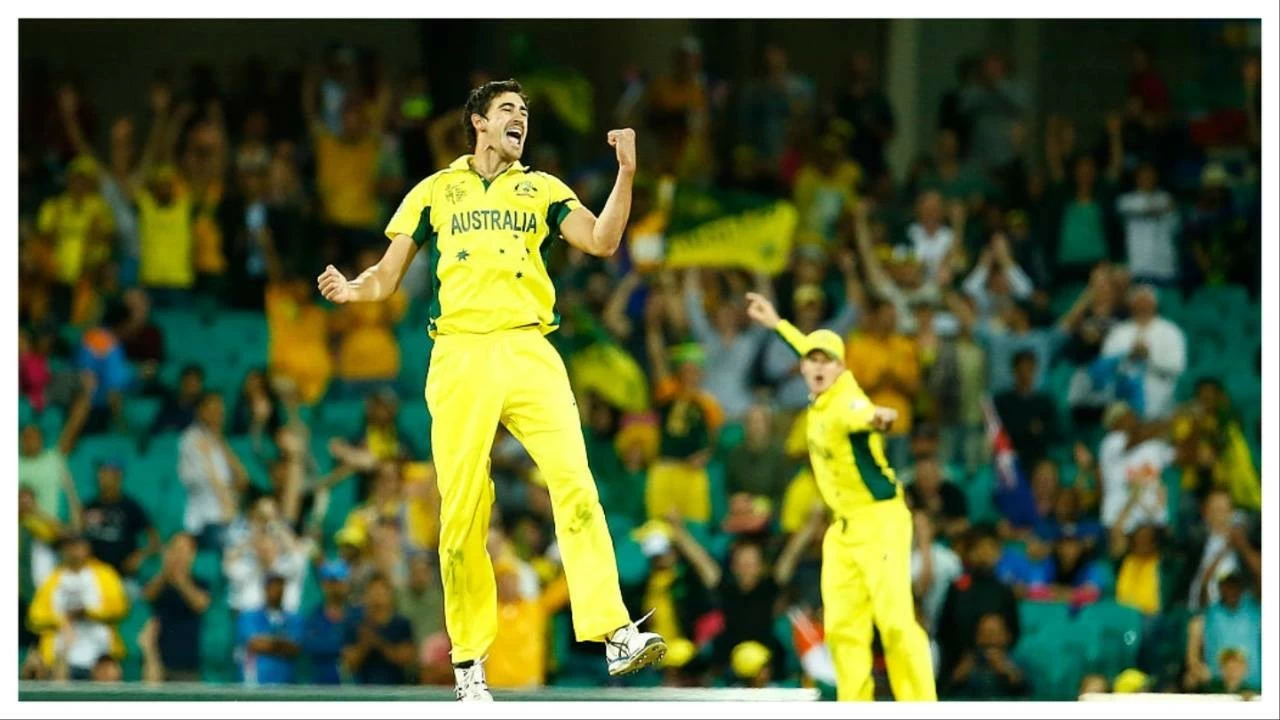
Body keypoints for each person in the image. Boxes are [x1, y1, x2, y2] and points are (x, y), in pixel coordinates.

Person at [315, 79, 664, 701]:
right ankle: (469, 664)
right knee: (461, 511)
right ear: (477, 121)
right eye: (507, 109)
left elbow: (603, 240)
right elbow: (386, 276)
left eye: (525, 112)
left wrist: (626, 175)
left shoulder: (543, 189)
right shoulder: (434, 191)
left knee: (577, 484)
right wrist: (353, 290)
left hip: (531, 349)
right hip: (459, 355)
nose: (519, 119)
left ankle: (614, 633)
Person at [744, 290, 936, 701]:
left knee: (896, 622)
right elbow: (802, 343)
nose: (817, 365)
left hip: (880, 521)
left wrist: (879, 417)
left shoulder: (847, 400)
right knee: (843, 627)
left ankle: (922, 706)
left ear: (841, 366)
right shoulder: (820, 389)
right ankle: (854, 706)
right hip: (843, 529)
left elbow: (861, 414)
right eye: (810, 359)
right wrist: (776, 321)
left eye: (826, 360)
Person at [26, 535, 129, 680]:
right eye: (69, 547)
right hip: (60, 656)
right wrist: (63, 619)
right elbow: (35, 619)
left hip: (99, 658)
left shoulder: (105, 575)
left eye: (77, 546)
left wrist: (89, 613)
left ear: (87, 548)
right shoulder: (52, 580)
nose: (73, 551)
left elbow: (120, 609)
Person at [1099, 285, 1186, 420]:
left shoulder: (1170, 331)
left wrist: (1149, 359)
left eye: (1146, 303)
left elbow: (1177, 367)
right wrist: (1128, 356)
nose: (1143, 307)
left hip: (1161, 402)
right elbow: (1105, 366)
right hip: (1123, 402)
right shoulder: (1118, 333)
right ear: (1131, 306)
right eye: (1138, 303)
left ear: (1155, 305)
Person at [140, 533, 210, 682]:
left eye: (185, 552)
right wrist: (165, 572)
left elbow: (200, 604)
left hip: (188, 666)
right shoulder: (160, 584)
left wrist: (181, 580)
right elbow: (148, 595)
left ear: (192, 555)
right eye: (176, 550)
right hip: (158, 665)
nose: (180, 556)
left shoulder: (200, 583)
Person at [80, 460, 160, 580]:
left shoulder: (130, 506)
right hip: (93, 578)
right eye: (101, 473)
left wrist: (139, 556)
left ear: (118, 477)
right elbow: (78, 536)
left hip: (122, 576)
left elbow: (155, 542)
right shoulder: (90, 506)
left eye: (107, 473)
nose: (102, 478)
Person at [342, 573, 416, 686]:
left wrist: (379, 643)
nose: (377, 597)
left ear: (390, 595)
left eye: (381, 592)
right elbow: (349, 663)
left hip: (397, 690)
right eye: (373, 592)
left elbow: (406, 659)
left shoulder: (402, 624)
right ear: (365, 596)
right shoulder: (355, 624)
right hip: (363, 691)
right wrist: (364, 645)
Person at [993, 350, 1059, 472]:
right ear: (1014, 371)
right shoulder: (1002, 402)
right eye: (1021, 370)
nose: (1025, 374)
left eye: (1029, 369)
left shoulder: (1044, 402)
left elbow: (1053, 433)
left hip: (1038, 459)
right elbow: (1002, 433)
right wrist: (1029, 429)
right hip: (1010, 461)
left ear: (1035, 370)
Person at [236, 574, 302, 686]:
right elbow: (255, 644)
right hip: (256, 684)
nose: (276, 591)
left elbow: (294, 647)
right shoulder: (249, 616)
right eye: (273, 586)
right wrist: (282, 642)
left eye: (280, 587)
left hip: (286, 686)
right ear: (265, 589)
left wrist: (268, 642)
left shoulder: (294, 619)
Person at [301, 560, 357, 685]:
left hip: (353, 687)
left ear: (346, 583)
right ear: (323, 584)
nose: (335, 587)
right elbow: (309, 645)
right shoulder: (314, 616)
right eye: (331, 582)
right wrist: (342, 648)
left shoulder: (357, 614)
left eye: (339, 581)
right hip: (322, 687)